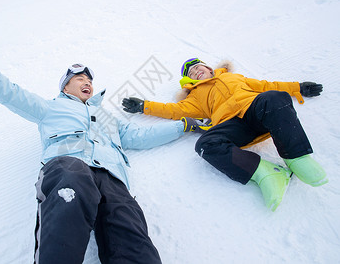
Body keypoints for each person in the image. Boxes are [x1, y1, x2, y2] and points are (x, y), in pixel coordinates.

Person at [0, 15, 192, 264]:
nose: (87, 82)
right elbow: (6, 90)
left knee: (129, 227)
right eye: (79, 78)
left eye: (89, 79)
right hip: (68, 165)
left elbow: (140, 136)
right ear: (65, 86)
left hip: (111, 176)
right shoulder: (50, 108)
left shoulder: (105, 115)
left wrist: (184, 125)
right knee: (71, 186)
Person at [122, 57, 327, 211]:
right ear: (188, 81)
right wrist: (144, 106)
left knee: (274, 97)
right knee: (206, 143)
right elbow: (173, 110)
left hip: (256, 109)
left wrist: (298, 87)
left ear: (209, 68)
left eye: (197, 67)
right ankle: (266, 172)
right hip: (234, 125)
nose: (195, 71)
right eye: (191, 72)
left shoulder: (233, 77)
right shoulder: (195, 96)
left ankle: (297, 158)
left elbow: (267, 85)